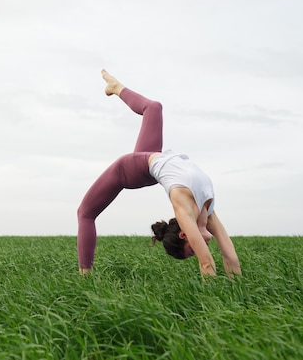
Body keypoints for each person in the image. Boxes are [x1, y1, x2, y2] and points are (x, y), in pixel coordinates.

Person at [77, 70, 242, 278]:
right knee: (154, 107)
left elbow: (216, 261)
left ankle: (85, 276)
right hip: (147, 161)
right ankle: (115, 87)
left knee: (85, 212)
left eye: (192, 249)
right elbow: (223, 260)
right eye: (194, 251)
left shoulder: (185, 208)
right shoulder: (206, 212)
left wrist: (227, 294)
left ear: (184, 234)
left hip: (135, 169)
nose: (199, 249)